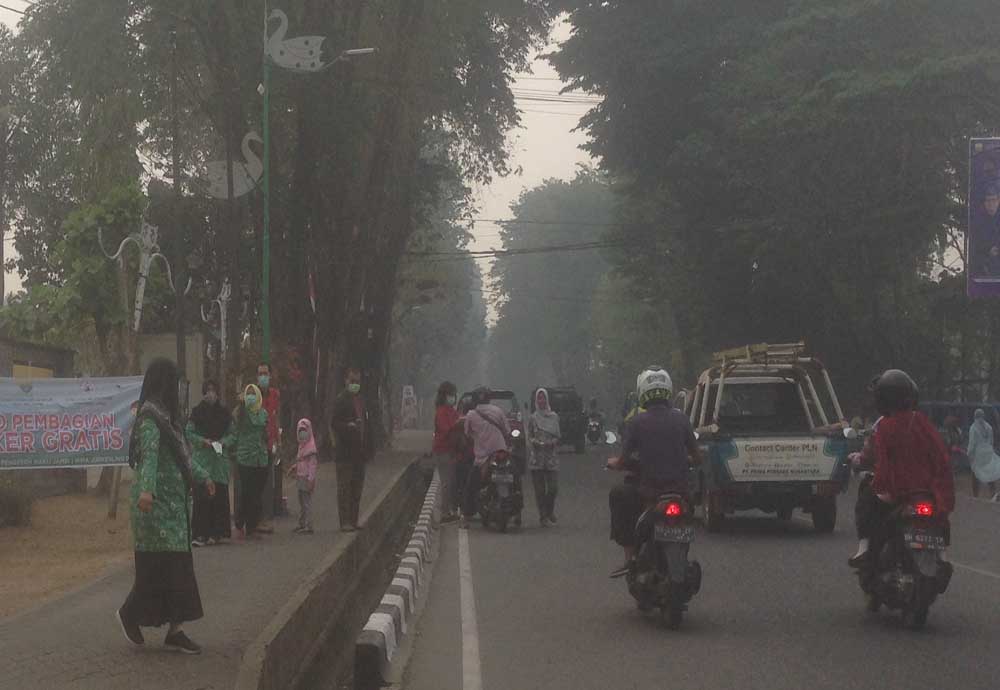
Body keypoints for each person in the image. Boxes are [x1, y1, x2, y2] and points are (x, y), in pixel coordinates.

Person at [117, 358, 211, 654]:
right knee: (158, 572)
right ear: (164, 383)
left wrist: (204, 477)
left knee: (178, 571)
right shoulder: (150, 418)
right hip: (154, 510)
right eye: (175, 383)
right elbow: (150, 456)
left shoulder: (170, 420)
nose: (178, 390)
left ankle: (175, 631)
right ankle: (129, 614)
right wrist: (147, 491)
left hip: (174, 510)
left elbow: (184, 457)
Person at [849, 370, 955, 566]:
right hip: (928, 489)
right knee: (939, 516)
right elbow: (941, 456)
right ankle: (943, 556)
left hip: (897, 490)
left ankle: (864, 548)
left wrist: (874, 478)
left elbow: (878, 459)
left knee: (866, 498)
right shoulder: (922, 421)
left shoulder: (884, 425)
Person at [607, 367, 701, 577]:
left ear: (642, 392)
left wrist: (615, 463)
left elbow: (623, 460)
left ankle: (629, 558)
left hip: (650, 493)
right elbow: (697, 457)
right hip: (681, 492)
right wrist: (684, 460)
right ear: (668, 389)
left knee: (619, 494)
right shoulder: (682, 419)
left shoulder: (636, 422)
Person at [187, 380, 232, 546]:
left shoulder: (225, 413)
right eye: (207, 390)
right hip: (203, 460)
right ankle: (200, 534)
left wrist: (223, 442)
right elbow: (189, 432)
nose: (210, 394)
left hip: (219, 461)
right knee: (202, 498)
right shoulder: (196, 413)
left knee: (219, 497)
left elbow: (233, 434)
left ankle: (217, 533)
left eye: (213, 390)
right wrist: (202, 441)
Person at [461, 387, 513, 529]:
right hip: (501, 454)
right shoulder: (498, 411)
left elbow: (467, 434)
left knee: (470, 486)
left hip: (483, 459)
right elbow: (507, 431)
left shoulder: (471, 415)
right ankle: (518, 512)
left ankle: (466, 517)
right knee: (516, 478)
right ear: (489, 398)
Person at [332, 367, 371, 531]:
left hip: (359, 452)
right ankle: (345, 522)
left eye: (357, 381)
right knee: (345, 488)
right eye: (352, 381)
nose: (355, 384)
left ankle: (354, 520)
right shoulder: (341, 400)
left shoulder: (361, 400)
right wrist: (348, 426)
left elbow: (367, 424)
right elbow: (334, 423)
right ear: (346, 381)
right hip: (345, 452)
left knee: (357, 488)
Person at [231, 383, 270, 540]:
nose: (251, 397)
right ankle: (240, 524)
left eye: (254, 394)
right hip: (245, 457)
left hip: (261, 457)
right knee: (246, 491)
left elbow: (265, 432)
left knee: (257, 493)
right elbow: (234, 430)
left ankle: (253, 525)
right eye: (249, 394)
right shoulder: (240, 412)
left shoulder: (263, 413)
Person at [528, 388, 561, 527]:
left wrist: (552, 442)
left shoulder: (554, 417)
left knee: (553, 488)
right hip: (537, 458)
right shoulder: (533, 418)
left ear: (547, 400)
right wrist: (536, 442)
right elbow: (530, 436)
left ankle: (549, 510)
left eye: (543, 398)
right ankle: (543, 516)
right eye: (539, 398)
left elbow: (558, 436)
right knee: (540, 490)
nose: (541, 401)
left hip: (551, 457)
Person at [256, 362, 284, 528]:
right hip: (256, 444)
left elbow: (276, 417)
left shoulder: (275, 394)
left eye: (265, 373)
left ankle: (266, 516)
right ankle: (259, 518)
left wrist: (279, 442)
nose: (263, 377)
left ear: (270, 376)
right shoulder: (253, 394)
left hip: (270, 443)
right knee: (258, 482)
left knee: (268, 482)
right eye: (260, 374)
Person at [432, 381, 462, 522]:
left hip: (451, 451)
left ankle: (450, 510)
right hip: (442, 451)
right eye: (451, 394)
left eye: (454, 395)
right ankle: (444, 514)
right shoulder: (441, 412)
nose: (453, 397)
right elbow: (446, 430)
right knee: (446, 482)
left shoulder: (452, 411)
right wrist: (457, 426)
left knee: (452, 482)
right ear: (444, 396)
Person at [287, 419, 319, 533]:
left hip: (306, 478)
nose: (302, 435)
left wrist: (311, 479)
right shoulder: (301, 446)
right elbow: (301, 461)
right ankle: (302, 523)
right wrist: (294, 468)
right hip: (300, 477)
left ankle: (309, 526)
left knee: (306, 502)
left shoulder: (311, 448)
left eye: (304, 432)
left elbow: (312, 465)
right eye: (300, 432)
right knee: (301, 501)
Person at [967, 409, 1000, 501]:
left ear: (975, 416)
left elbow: (972, 443)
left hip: (978, 454)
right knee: (990, 472)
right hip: (988, 453)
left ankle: (975, 496)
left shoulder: (973, 427)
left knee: (975, 473)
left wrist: (969, 454)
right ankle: (993, 494)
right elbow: (991, 442)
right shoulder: (989, 427)